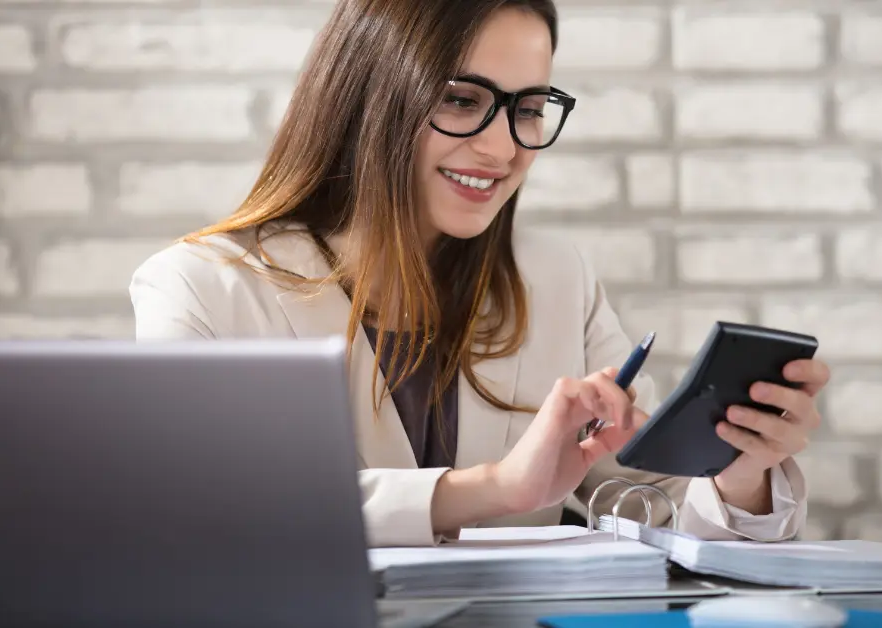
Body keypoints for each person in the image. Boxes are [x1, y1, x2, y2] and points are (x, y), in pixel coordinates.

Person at [129, 0, 830, 548]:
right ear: (369, 98)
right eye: (462, 100)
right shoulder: (199, 289)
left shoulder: (558, 279)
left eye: (528, 110)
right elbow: (202, 515)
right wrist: (495, 488)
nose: (502, 147)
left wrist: (739, 472)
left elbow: (655, 514)